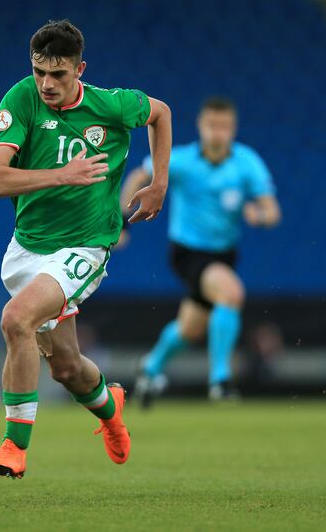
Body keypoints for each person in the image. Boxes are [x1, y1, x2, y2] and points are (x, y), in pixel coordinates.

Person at [0, 19, 171, 478]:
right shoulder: (20, 98)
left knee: (15, 320)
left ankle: (13, 446)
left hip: (85, 247)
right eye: (38, 72)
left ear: (79, 70)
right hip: (27, 249)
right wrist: (60, 175)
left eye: (58, 74)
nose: (46, 83)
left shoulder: (111, 106)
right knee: (66, 368)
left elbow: (160, 113)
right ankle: (111, 410)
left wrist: (159, 183)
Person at [120, 97, 280, 405]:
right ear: (200, 127)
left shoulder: (246, 162)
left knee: (190, 328)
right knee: (231, 293)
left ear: (233, 129)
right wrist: (124, 222)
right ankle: (220, 379)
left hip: (223, 254)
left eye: (224, 126)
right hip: (188, 253)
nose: (218, 133)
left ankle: (150, 367)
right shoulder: (181, 160)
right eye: (212, 125)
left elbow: (272, 212)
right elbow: (139, 176)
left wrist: (258, 215)